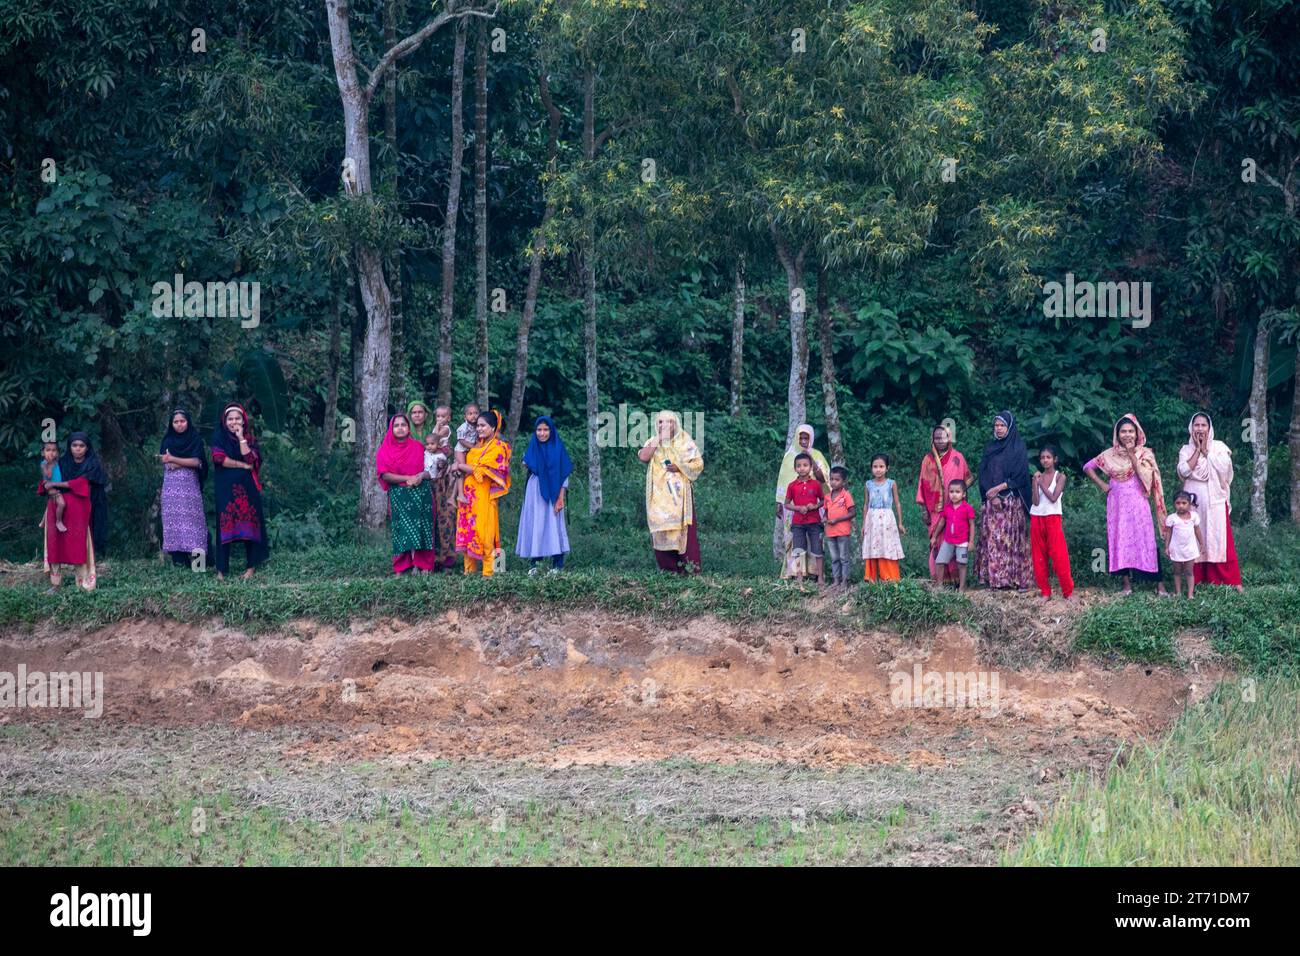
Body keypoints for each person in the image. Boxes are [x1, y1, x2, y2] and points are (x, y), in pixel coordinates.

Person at [1083, 413, 1168, 596]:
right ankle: (1126, 586)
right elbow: (1087, 467)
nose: (1127, 435)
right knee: (1120, 539)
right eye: (1123, 431)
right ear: (1117, 434)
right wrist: (1102, 485)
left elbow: (1146, 478)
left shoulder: (1145, 454)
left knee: (1146, 540)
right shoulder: (1109, 454)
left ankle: (1160, 586)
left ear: (1137, 434)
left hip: (1138, 503)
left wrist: (1131, 454)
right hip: (1117, 505)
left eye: (1131, 431)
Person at [1176, 412, 1242, 591]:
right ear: (1191, 428)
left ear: (1209, 428)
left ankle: (1228, 579)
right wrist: (1198, 451)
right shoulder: (1186, 449)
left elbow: (1226, 470)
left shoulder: (1219, 447)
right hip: (1193, 498)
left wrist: (1207, 452)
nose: (1199, 429)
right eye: (1196, 425)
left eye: (1203, 425)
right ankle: (1196, 578)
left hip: (1215, 500)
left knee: (1218, 538)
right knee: (1194, 536)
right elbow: (1183, 471)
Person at [38, 432, 106, 591]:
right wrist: (49, 487)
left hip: (80, 511)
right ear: (69, 447)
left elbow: (81, 483)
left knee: (79, 545)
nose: (78, 449)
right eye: (74, 445)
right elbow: (46, 481)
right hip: (58, 508)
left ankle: (84, 584)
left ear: (87, 448)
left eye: (81, 446)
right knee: (55, 544)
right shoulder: (61, 463)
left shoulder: (92, 464)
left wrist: (58, 486)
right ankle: (55, 585)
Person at [638, 409, 704, 573]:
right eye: (660, 422)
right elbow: (643, 457)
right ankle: (668, 570)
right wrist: (659, 438)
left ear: (676, 424)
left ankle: (689, 570)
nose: (664, 425)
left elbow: (697, 464)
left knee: (683, 532)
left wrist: (680, 467)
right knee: (661, 530)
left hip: (679, 498)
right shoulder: (653, 441)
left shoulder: (684, 441)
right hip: (659, 499)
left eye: (669, 422)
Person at [974, 411, 1033, 589]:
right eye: (996, 426)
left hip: (1011, 503)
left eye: (1002, 425)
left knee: (1012, 541)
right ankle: (996, 581)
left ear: (1010, 427)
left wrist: (999, 489)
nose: (998, 429)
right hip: (992, 504)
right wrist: (991, 496)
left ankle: (1016, 580)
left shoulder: (1018, 448)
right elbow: (983, 472)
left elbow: (1021, 476)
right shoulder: (990, 448)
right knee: (994, 541)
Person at [210, 402, 269, 580]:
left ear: (243, 421)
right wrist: (242, 465)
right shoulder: (219, 437)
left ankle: (251, 567)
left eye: (237, 419)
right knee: (225, 524)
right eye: (230, 419)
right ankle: (221, 570)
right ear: (224, 420)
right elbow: (220, 459)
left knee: (250, 524)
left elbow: (251, 458)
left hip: (247, 488)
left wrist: (241, 437)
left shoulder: (249, 439)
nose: (233, 422)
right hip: (225, 488)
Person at [376, 413, 436, 575]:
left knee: (424, 527)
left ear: (409, 428)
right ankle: (402, 566)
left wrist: (419, 477)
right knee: (401, 529)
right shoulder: (384, 450)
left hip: (421, 493)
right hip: (399, 495)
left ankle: (424, 565)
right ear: (391, 429)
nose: (400, 428)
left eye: (403, 425)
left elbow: (430, 469)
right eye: (396, 425)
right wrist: (407, 478)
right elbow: (384, 474)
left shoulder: (418, 447)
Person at [453, 408, 512, 576]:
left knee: (485, 532)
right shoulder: (475, 445)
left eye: (483, 426)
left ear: (493, 428)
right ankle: (469, 572)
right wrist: (460, 468)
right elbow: (468, 466)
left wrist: (459, 466)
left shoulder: (499, 447)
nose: (479, 429)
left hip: (485, 496)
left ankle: (490, 572)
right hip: (468, 496)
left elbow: (483, 470)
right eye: (478, 426)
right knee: (467, 531)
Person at [915, 424, 972, 583]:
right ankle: (939, 580)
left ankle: (955, 581)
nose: (940, 440)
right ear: (932, 439)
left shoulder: (958, 457)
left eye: (943, 437)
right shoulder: (927, 460)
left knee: (955, 540)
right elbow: (922, 483)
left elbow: (965, 481)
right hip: (934, 510)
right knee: (936, 542)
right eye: (937, 437)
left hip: (955, 509)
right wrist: (924, 509)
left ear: (949, 439)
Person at [516, 416, 572, 574]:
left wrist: (560, 498)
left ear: (551, 430)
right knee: (536, 524)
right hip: (535, 491)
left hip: (553, 491)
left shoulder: (558, 448)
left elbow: (564, 474)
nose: (542, 433)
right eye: (539, 430)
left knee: (554, 524)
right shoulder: (532, 447)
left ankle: (557, 565)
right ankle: (535, 564)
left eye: (546, 429)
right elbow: (527, 462)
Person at [774, 424, 830, 579]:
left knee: (814, 540)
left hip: (814, 508)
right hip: (793, 508)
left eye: (807, 438)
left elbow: (824, 481)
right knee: (794, 539)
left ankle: (814, 572)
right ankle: (794, 572)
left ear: (811, 438)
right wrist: (779, 503)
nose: (804, 441)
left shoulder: (817, 455)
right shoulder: (789, 457)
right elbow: (782, 481)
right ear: (797, 438)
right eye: (801, 437)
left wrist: (811, 457)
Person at [410, 400, 458, 571]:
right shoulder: (407, 433)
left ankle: (446, 560)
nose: (417, 415)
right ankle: (423, 561)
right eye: (413, 412)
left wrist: (444, 457)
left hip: (441, 483)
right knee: (423, 521)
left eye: (420, 412)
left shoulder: (439, 432)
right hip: (419, 482)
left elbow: (448, 450)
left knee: (445, 518)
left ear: (426, 415)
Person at [158, 408, 209, 567]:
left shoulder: (195, 439)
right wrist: (174, 462)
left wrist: (175, 460)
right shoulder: (167, 440)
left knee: (195, 524)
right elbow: (163, 460)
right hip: (171, 490)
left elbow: (196, 462)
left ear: (188, 422)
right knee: (174, 525)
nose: (179, 425)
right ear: (171, 424)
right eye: (176, 422)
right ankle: (180, 564)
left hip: (189, 489)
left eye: (182, 421)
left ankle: (199, 565)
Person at [1029, 445, 1073, 600]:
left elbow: (1054, 498)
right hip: (1036, 517)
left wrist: (1040, 483)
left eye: (1048, 457)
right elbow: (1035, 502)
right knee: (1038, 556)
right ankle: (1045, 592)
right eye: (1042, 458)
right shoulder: (1037, 476)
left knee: (1059, 554)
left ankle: (1068, 592)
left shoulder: (1060, 477)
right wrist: (1035, 483)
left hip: (1053, 517)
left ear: (1055, 459)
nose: (1045, 460)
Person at [862, 453, 906, 582]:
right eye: (875, 466)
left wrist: (900, 523)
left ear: (887, 468)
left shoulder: (891, 483)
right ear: (871, 468)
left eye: (881, 466)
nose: (878, 469)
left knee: (887, 546)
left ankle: (889, 577)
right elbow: (866, 504)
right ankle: (872, 577)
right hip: (872, 520)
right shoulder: (868, 484)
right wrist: (864, 525)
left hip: (887, 520)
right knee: (873, 546)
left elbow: (897, 503)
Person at [784, 452, 825, 584]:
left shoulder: (816, 484)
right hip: (798, 523)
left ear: (811, 467)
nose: (802, 468)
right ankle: (799, 577)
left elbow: (824, 501)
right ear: (795, 468)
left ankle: (820, 577)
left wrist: (815, 506)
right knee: (798, 550)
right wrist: (798, 508)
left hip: (814, 522)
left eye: (805, 465)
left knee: (817, 549)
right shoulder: (792, 485)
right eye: (799, 466)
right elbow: (786, 504)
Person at [932, 479, 975, 591]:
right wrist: (934, 536)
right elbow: (941, 522)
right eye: (951, 492)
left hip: (962, 542)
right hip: (948, 541)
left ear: (963, 494)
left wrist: (971, 542)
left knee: (962, 564)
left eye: (957, 492)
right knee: (940, 562)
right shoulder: (947, 508)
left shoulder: (967, 508)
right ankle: (939, 585)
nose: (954, 495)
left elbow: (972, 525)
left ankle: (962, 587)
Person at [1166, 490, 1205, 599]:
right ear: (1174, 504)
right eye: (1178, 503)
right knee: (1177, 572)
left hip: (1190, 549)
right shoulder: (1172, 518)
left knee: (1189, 572)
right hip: (1176, 549)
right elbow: (1168, 533)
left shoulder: (1194, 516)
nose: (1181, 506)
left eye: (1184, 503)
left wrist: (1201, 544)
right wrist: (1167, 547)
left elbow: (1197, 531)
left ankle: (1190, 594)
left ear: (1189, 504)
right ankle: (1178, 592)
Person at [822, 465, 856, 589]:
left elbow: (853, 513)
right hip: (830, 532)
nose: (833, 482)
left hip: (842, 531)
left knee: (843, 557)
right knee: (834, 558)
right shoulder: (827, 497)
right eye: (831, 479)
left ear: (843, 481)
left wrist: (837, 520)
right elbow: (826, 512)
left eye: (837, 480)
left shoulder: (846, 495)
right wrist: (825, 518)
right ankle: (836, 580)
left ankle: (845, 581)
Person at [38, 441, 67, 533]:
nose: (51, 453)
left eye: (54, 450)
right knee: (62, 504)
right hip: (50, 487)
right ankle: (58, 521)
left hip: (57, 486)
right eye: (48, 450)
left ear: (57, 452)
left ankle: (43, 522)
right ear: (43, 453)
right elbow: (49, 476)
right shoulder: (44, 464)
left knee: (50, 503)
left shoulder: (57, 462)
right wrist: (50, 464)